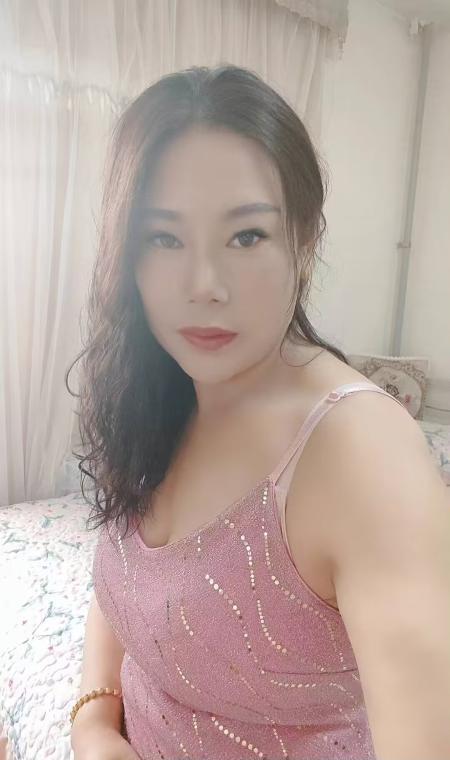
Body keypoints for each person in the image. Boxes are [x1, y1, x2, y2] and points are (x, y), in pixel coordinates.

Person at [67, 64, 450, 760]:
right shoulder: (157, 389)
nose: (203, 285)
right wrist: (94, 721)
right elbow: (121, 575)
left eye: (246, 237)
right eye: (163, 238)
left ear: (304, 242)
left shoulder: (363, 456)